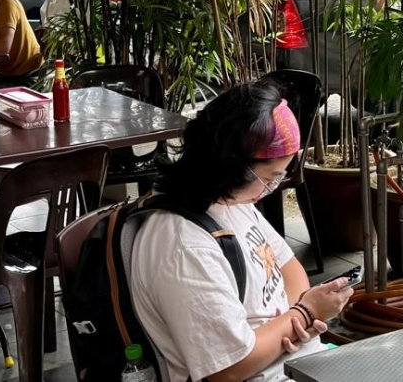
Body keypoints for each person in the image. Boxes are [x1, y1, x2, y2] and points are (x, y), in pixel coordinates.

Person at [130, 81, 353, 382]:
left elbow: (289, 268)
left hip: (295, 360)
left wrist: (294, 321)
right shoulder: (184, 246)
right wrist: (304, 314)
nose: (270, 190)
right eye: (269, 179)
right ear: (235, 168)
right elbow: (228, 369)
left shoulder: (231, 200)